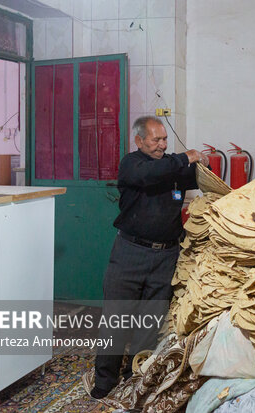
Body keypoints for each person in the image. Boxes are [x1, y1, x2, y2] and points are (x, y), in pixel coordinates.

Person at [90, 115, 209, 399]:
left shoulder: (173, 166)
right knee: (116, 319)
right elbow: (149, 175)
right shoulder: (132, 164)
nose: (162, 144)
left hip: (166, 255)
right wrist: (185, 157)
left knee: (150, 320)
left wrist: (204, 164)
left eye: (164, 139)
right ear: (139, 140)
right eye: (156, 140)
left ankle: (136, 375)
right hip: (130, 253)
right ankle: (104, 381)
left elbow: (201, 177)